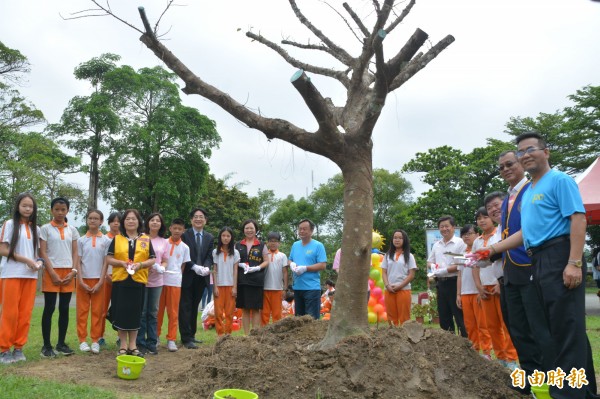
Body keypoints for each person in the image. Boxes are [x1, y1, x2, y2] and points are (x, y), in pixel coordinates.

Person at [477, 132, 597, 399]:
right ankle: (577, 391)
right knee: (553, 329)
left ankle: (571, 394)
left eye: (530, 149)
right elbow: (525, 233)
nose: (525, 154)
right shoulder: (530, 191)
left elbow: (577, 219)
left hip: (560, 254)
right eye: (521, 151)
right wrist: (493, 250)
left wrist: (574, 263)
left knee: (567, 327)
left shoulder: (560, 180)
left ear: (546, 152)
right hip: (538, 259)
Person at [497, 150, 555, 393]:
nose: (506, 169)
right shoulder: (508, 196)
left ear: (522, 163)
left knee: (537, 327)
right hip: (510, 271)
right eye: (501, 167)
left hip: (529, 267)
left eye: (510, 164)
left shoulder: (531, 189)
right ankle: (529, 376)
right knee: (518, 329)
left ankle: (549, 379)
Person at [471, 205, 518, 369]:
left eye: (485, 217)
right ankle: (501, 357)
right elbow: (475, 265)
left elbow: (504, 259)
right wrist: (478, 286)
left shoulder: (499, 234)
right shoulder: (477, 241)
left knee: (507, 323)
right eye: (479, 218)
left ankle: (512, 359)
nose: (482, 220)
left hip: (500, 284)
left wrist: (499, 282)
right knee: (491, 326)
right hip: (485, 288)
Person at [106, 209, 156, 357]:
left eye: (134, 219)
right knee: (121, 312)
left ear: (138, 221)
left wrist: (140, 265)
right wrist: (121, 263)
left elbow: (152, 259)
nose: (131, 221)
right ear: (123, 222)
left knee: (135, 313)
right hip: (120, 281)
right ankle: (122, 345)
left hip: (138, 281)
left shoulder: (145, 239)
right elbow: (108, 259)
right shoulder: (117, 239)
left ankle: (133, 345)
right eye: (127, 219)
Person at [0, 193, 42, 364]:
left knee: (25, 314)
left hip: (30, 276)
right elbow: (3, 250)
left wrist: (38, 263)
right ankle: (4, 350)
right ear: (18, 206)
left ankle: (18, 348)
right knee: (10, 313)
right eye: (24, 205)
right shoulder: (9, 224)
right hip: (11, 274)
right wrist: (26, 260)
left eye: (30, 206)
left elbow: (37, 255)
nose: (27, 209)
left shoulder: (36, 229)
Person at [39, 197, 80, 357]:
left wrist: (74, 271)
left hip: (68, 272)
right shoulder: (45, 229)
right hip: (51, 272)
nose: (60, 212)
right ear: (51, 210)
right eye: (57, 209)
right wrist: (52, 273)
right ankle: (46, 347)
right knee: (49, 308)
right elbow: (42, 252)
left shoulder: (73, 230)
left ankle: (61, 344)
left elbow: (75, 252)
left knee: (64, 309)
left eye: (63, 210)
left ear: (67, 211)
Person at [75, 209, 110, 354]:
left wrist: (101, 281)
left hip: (99, 281)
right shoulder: (81, 240)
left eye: (96, 218)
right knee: (82, 311)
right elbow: (78, 262)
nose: (93, 220)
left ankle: (95, 340)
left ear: (101, 221)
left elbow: (105, 263)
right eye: (90, 218)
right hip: (83, 280)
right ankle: (82, 340)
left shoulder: (106, 240)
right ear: (87, 220)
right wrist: (80, 280)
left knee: (98, 311)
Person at [427, 215, 467, 337]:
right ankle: (449, 344)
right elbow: (429, 261)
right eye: (441, 226)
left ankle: (466, 344)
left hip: (455, 283)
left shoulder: (460, 243)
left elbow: (460, 264)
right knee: (444, 316)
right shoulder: (437, 245)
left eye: (447, 226)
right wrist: (433, 267)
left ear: (453, 227)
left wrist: (442, 270)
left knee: (459, 315)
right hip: (441, 283)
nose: (444, 229)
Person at [456, 224, 491, 359]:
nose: (466, 236)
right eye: (464, 234)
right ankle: (475, 350)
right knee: (469, 325)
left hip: (477, 292)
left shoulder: (480, 251)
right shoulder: (462, 253)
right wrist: (458, 294)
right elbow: (459, 275)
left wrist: (479, 289)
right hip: (465, 293)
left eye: (469, 233)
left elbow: (483, 270)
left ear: (477, 235)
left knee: (482, 324)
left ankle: (487, 352)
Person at [180, 207, 213, 349]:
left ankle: (192, 335)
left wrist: (205, 267)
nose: (198, 219)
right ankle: (185, 338)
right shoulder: (184, 235)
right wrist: (193, 266)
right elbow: (182, 254)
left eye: (201, 217)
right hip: (187, 275)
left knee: (195, 307)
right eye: (195, 216)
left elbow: (209, 255)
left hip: (201, 278)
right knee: (185, 307)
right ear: (191, 219)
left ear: (205, 220)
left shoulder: (209, 237)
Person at [137, 213, 169, 355]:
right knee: (142, 312)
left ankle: (152, 342)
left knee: (153, 312)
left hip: (157, 282)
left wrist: (162, 267)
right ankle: (140, 342)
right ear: (147, 222)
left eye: (158, 221)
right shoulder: (141, 238)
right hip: (142, 279)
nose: (155, 223)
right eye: (152, 220)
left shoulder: (164, 241)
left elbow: (165, 260)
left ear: (161, 224)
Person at [158, 218, 191, 352]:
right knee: (158, 312)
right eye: (174, 228)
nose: (177, 231)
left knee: (173, 312)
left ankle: (171, 339)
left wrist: (177, 277)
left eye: (180, 229)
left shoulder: (185, 247)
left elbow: (183, 266)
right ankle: (155, 337)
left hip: (175, 283)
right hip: (160, 281)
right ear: (170, 228)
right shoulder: (163, 242)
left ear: (183, 230)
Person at [235, 219, 269, 334]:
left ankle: (254, 334)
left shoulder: (262, 245)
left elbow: (266, 261)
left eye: (251, 228)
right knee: (244, 308)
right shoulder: (238, 245)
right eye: (247, 228)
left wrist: (257, 268)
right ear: (243, 230)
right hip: (242, 280)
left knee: (255, 308)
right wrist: (240, 264)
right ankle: (245, 334)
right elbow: (234, 260)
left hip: (256, 280)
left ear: (256, 230)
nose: (249, 230)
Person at [289, 219, 327, 319]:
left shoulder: (318, 245)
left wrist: (305, 268)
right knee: (299, 320)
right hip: (297, 287)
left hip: (312, 288)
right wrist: (291, 264)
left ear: (311, 231)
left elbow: (323, 265)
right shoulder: (295, 245)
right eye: (300, 229)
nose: (302, 231)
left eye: (305, 229)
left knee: (311, 319)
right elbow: (290, 260)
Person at [381, 229, 417, 325]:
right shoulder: (387, 255)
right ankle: (394, 338)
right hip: (389, 290)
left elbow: (411, 274)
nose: (397, 240)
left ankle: (405, 338)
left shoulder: (410, 256)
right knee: (391, 318)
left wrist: (400, 286)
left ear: (404, 240)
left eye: (400, 238)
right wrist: (387, 285)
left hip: (403, 290)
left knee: (404, 317)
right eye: (395, 238)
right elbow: (384, 272)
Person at [98, 211, 121, 348]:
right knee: (102, 309)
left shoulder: (124, 239)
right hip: (106, 277)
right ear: (109, 223)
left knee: (119, 309)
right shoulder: (104, 238)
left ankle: (120, 337)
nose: (116, 223)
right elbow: (102, 259)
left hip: (120, 278)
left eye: (118, 221)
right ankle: (100, 337)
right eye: (113, 221)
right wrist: (105, 275)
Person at [213, 226, 240, 336]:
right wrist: (214, 287)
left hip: (230, 286)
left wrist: (234, 287)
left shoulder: (235, 253)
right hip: (219, 285)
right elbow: (214, 270)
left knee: (229, 312)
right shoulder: (215, 252)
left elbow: (235, 271)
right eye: (223, 235)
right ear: (220, 237)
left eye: (228, 236)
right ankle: (220, 334)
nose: (225, 238)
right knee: (218, 313)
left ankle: (228, 334)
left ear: (231, 237)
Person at [261, 232, 289, 325]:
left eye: (275, 241)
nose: (273, 243)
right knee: (264, 313)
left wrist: (285, 288)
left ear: (279, 243)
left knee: (277, 314)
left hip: (277, 289)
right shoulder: (264, 255)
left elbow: (285, 272)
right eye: (271, 241)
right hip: (264, 288)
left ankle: (276, 335)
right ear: (267, 243)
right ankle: (263, 334)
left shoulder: (282, 255)